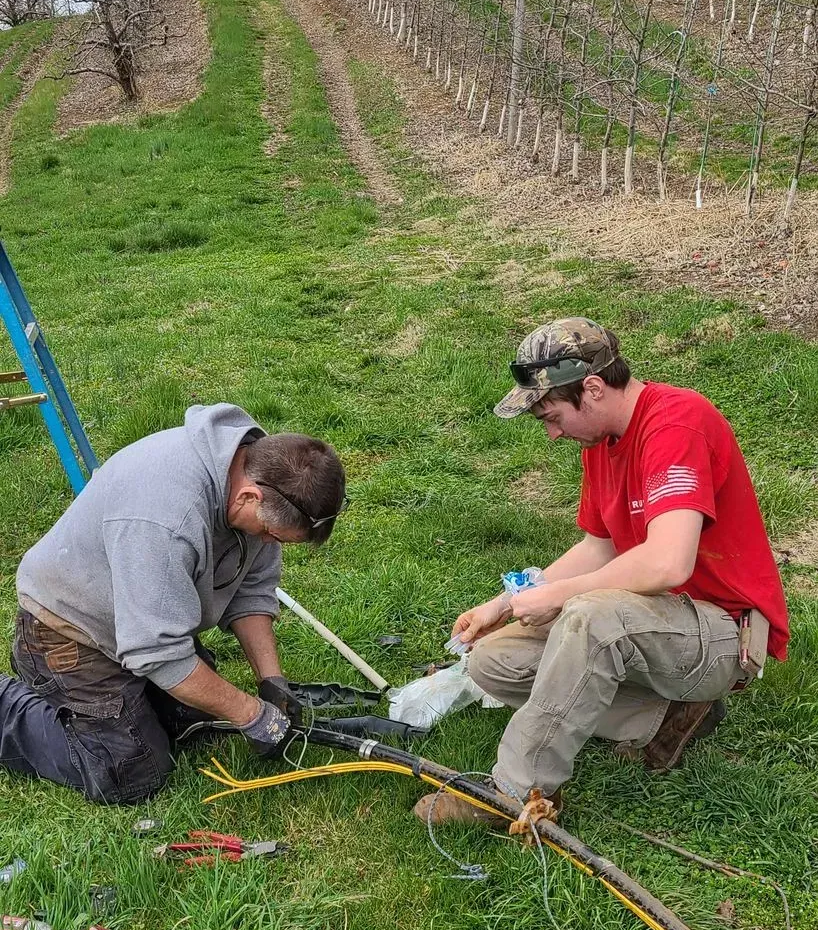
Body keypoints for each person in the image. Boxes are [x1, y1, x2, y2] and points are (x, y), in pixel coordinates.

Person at [416, 319, 788, 825]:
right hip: (658, 624)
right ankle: (664, 719)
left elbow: (667, 561)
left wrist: (561, 596)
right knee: (491, 661)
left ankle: (514, 793)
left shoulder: (676, 423)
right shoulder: (603, 442)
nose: (551, 434)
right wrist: (502, 605)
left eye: (551, 415)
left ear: (592, 389)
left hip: (723, 632)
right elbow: (599, 547)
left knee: (591, 616)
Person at [0, 404, 346, 804]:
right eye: (271, 534)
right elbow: (159, 653)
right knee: (131, 771)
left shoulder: (261, 478)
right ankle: (12, 705)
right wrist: (252, 714)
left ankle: (116, 698)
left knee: (195, 720)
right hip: (68, 629)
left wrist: (272, 682)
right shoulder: (165, 520)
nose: (270, 544)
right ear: (250, 496)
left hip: (135, 616)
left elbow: (252, 586)